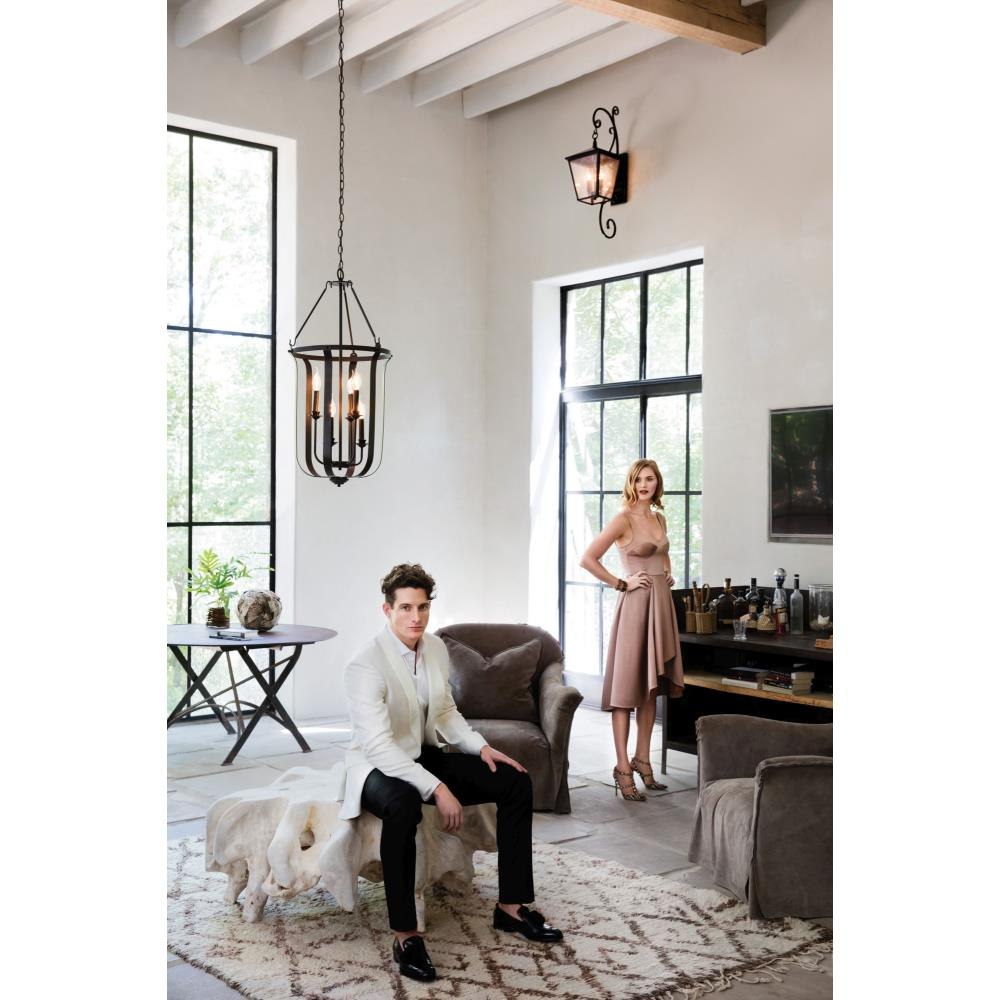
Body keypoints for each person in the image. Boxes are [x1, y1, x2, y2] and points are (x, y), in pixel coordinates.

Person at [338, 563, 563, 983]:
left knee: (514, 781)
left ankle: (512, 908)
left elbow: (444, 711)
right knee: (403, 804)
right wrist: (438, 788)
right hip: (375, 766)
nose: (416, 617)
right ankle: (406, 936)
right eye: (406, 608)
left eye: (423, 607)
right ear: (387, 610)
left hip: (422, 754)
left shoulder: (436, 648)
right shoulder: (365, 664)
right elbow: (379, 746)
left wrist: (481, 747)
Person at [579, 458, 684, 802]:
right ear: (631, 483)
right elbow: (588, 558)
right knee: (626, 690)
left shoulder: (658, 517)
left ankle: (643, 759)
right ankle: (623, 766)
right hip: (635, 607)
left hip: (660, 606)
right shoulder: (622, 519)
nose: (644, 485)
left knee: (650, 690)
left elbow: (662, 554)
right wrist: (621, 583)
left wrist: (666, 572)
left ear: (657, 483)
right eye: (638, 480)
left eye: (650, 479)